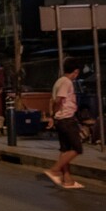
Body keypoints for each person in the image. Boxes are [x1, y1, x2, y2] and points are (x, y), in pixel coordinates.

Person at [44, 58, 84, 189]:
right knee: (77, 148)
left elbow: (52, 100)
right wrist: (55, 114)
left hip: (60, 120)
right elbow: (58, 100)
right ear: (76, 71)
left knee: (65, 149)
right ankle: (54, 170)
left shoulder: (58, 81)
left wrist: (52, 117)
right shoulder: (67, 82)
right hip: (67, 119)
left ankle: (68, 180)